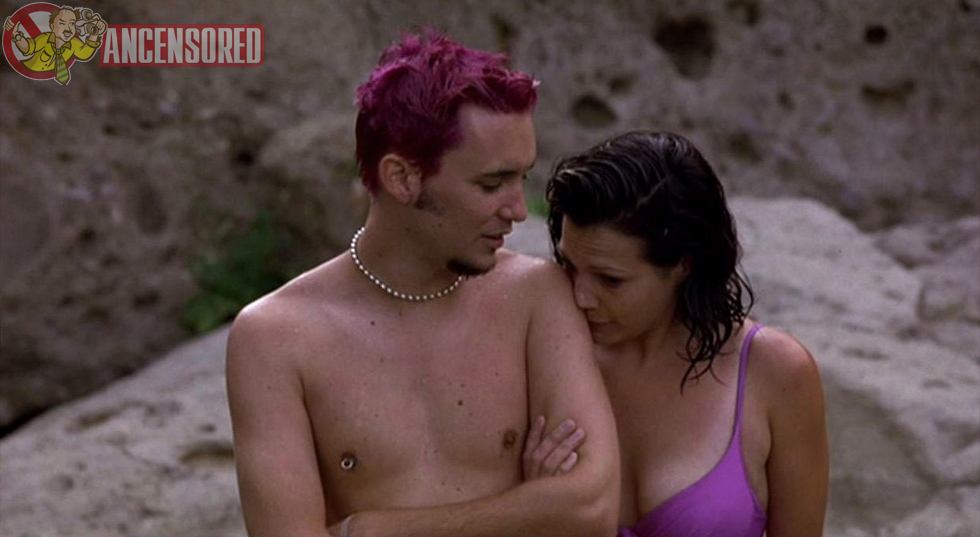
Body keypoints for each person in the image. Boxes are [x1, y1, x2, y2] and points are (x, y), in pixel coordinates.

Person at [226, 31, 620, 537]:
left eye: (521, 179)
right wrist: (533, 507)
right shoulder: (275, 339)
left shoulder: (536, 296)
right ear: (402, 178)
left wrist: (371, 530)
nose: (518, 211)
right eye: (491, 184)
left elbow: (590, 509)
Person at [524, 131, 829, 536]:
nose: (580, 297)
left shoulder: (775, 373)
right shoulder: (547, 360)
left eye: (610, 280)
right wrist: (534, 511)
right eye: (568, 265)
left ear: (684, 264)